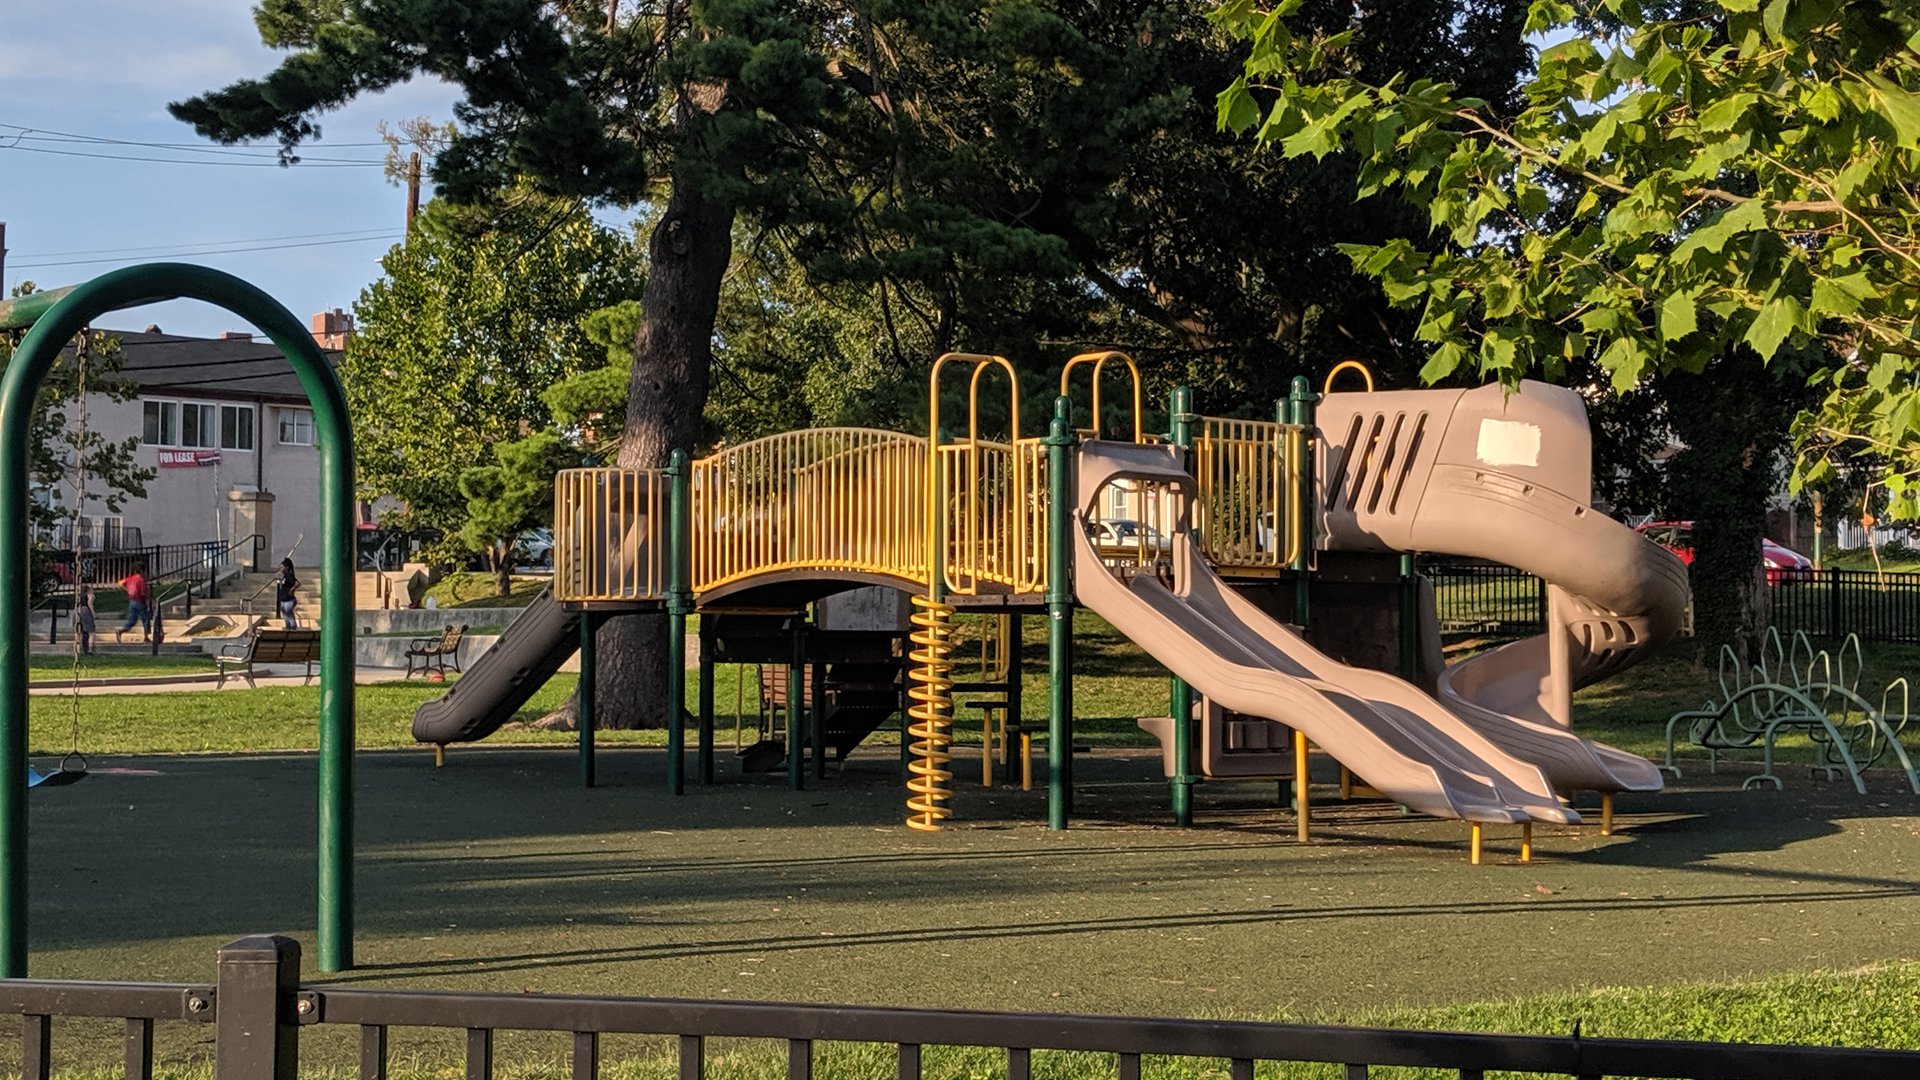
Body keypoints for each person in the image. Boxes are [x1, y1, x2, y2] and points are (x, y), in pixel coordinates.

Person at [115, 562, 151, 644]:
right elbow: (143, 593)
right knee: (145, 619)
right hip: (140, 602)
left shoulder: (131, 578)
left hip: (132, 602)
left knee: (131, 621)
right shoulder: (141, 580)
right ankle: (146, 637)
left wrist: (127, 589)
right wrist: (150, 598)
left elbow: (120, 583)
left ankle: (121, 630)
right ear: (142, 571)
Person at [275, 558, 301, 629]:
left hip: (288, 600)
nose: (280, 569)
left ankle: (293, 628)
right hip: (284, 599)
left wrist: (291, 590)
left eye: (282, 567)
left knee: (289, 616)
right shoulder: (285, 576)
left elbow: (297, 583)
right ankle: (288, 628)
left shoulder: (289, 575)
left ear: (287, 567)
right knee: (286, 616)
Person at [74, 588, 96, 655]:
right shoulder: (90, 595)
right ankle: (90, 649)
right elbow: (89, 603)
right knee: (91, 632)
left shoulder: (78, 596)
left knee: (79, 632)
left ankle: (78, 649)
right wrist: (93, 613)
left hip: (77, 611)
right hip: (85, 611)